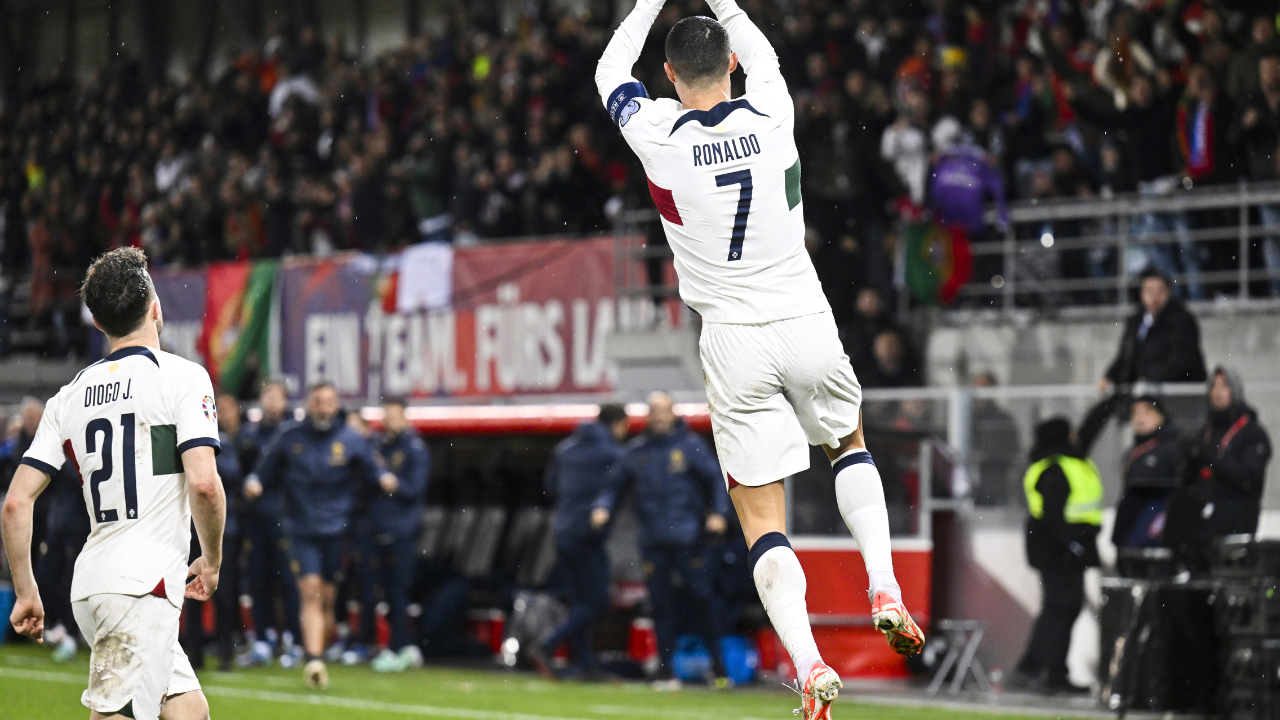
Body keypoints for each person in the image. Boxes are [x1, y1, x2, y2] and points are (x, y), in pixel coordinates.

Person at [597, 2, 923, 715]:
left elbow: (608, 71)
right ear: (735, 66)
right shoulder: (771, 108)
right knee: (847, 443)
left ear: (672, 75)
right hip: (804, 314)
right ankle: (885, 585)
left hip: (732, 336)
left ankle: (809, 667)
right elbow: (761, 51)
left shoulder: (657, 132)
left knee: (760, 516)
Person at [3, 247, 225, 720]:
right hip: (141, 588)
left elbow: (16, 502)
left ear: (100, 325)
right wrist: (212, 559)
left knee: (189, 711)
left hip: (96, 580)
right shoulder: (182, 378)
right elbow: (204, 484)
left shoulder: (68, 396)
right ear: (155, 308)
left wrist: (26, 590)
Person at [249, 381, 394, 689]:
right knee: (310, 591)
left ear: (336, 404)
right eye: (318, 401)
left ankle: (319, 651)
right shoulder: (289, 438)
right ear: (309, 404)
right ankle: (313, 658)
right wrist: (255, 483)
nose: (324, 407)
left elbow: (373, 473)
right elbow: (265, 471)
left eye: (329, 401)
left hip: (338, 530)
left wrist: (384, 478)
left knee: (328, 598)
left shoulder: (352, 440)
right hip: (301, 528)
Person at [594, 393, 732, 689]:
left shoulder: (691, 445)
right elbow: (613, 484)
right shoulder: (636, 451)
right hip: (653, 540)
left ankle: (719, 668)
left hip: (688, 537)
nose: (658, 416)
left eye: (663, 411)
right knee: (660, 605)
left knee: (702, 599)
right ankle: (666, 670)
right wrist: (603, 506)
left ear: (673, 414)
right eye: (653, 411)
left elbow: (715, 480)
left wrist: (719, 513)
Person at [527, 403, 629, 680]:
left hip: (562, 533)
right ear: (619, 423)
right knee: (596, 602)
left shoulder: (565, 449)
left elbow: (550, 487)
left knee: (580, 601)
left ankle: (584, 664)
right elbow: (611, 489)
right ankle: (547, 645)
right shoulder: (613, 454)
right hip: (589, 536)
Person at [1012, 417, 1102, 695]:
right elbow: (1053, 516)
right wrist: (1074, 544)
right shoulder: (1057, 468)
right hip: (1058, 551)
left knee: (1061, 608)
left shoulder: (1058, 461)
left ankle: (1045, 670)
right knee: (1060, 607)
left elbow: (1089, 429)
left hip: (1059, 550)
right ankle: (1042, 671)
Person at [352, 397, 429, 673]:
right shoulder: (378, 446)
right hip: (380, 530)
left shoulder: (415, 449)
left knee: (398, 592)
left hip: (403, 532)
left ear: (405, 419)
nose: (390, 422)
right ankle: (401, 646)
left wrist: (393, 483)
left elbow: (416, 490)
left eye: (395, 416)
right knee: (385, 593)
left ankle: (399, 647)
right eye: (387, 416)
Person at [237, 380, 302, 667]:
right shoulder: (250, 434)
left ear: (286, 400)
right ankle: (263, 638)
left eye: (277, 396)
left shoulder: (296, 434)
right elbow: (238, 470)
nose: (272, 402)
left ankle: (292, 638)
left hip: (287, 518)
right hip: (257, 518)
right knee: (258, 579)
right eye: (268, 396)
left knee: (289, 582)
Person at [1170, 368, 1272, 550]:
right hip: (1200, 527)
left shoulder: (1252, 433)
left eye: (1224, 386)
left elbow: (1246, 478)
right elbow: (1191, 480)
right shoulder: (1206, 432)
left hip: (1235, 525)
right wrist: (1188, 460)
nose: (1217, 392)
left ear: (1235, 391)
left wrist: (1207, 456)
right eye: (1213, 386)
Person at [1101, 270, 1207, 391]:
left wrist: (1150, 379)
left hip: (1171, 391)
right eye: (1149, 291)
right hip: (1137, 390)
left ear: (1169, 292)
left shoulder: (1181, 320)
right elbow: (1124, 356)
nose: (1154, 296)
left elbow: (1181, 360)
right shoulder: (1135, 321)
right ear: (1141, 293)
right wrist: (1109, 377)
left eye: (1160, 291)